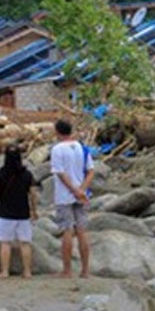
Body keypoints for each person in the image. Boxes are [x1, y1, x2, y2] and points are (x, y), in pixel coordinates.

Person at [50, 119, 94, 278]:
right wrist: (82, 190)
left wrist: (74, 190)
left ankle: (67, 270)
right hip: (82, 195)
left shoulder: (57, 149)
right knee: (82, 231)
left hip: (64, 195)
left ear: (57, 132)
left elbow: (60, 173)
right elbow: (91, 171)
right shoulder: (83, 148)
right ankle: (85, 270)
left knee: (66, 231)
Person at [0, 146, 39, 279]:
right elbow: (33, 194)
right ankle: (27, 272)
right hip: (23, 213)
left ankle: (5, 271)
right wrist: (34, 210)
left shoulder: (1, 173)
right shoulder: (27, 174)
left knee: (5, 243)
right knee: (25, 243)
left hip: (5, 212)